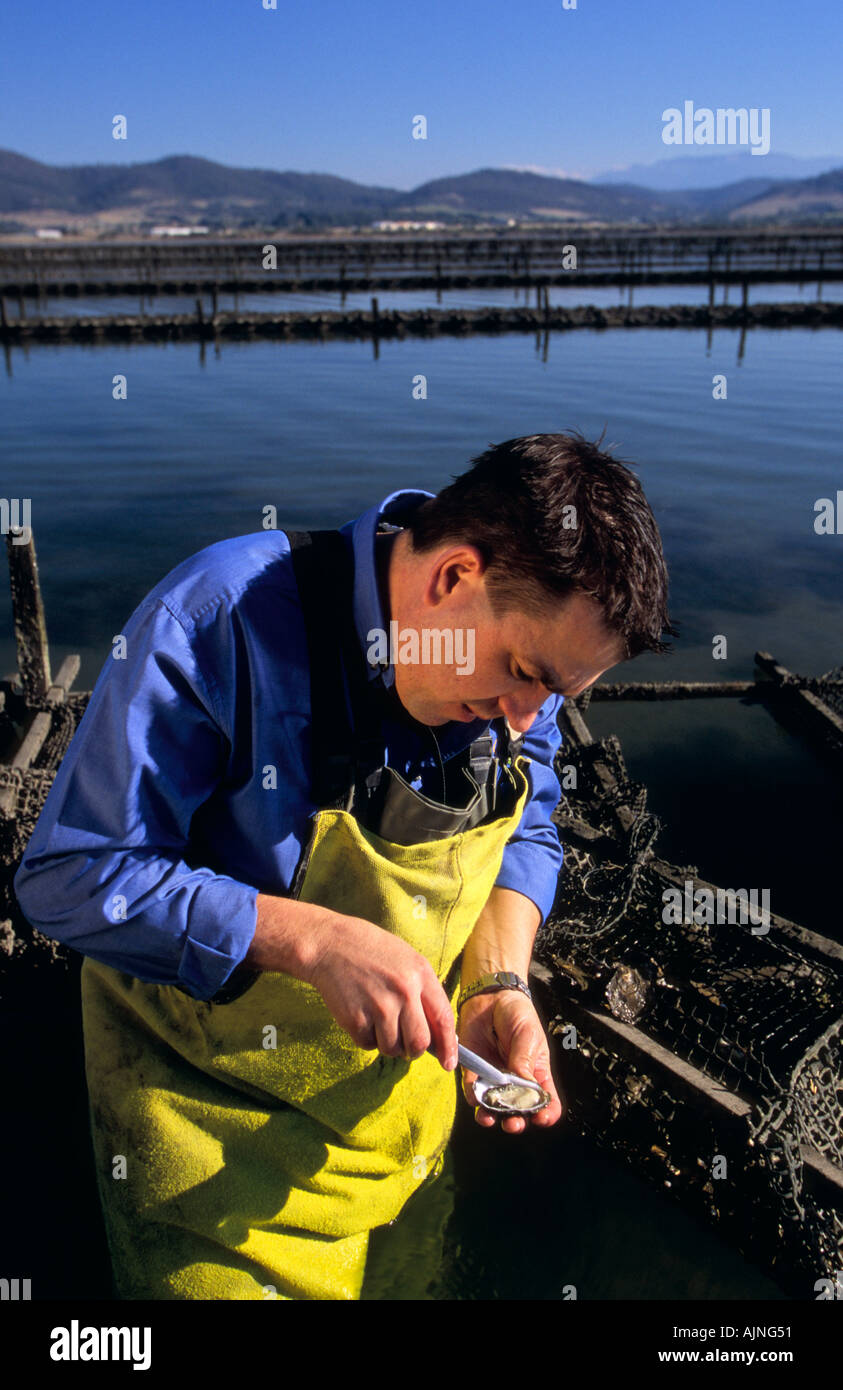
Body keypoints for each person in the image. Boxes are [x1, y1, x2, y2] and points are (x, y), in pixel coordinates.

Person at [14, 430, 674, 1300]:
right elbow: (68, 877)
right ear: (452, 578)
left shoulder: (522, 689)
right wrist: (309, 940)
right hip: (209, 1156)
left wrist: (499, 985)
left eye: (556, 696)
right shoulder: (217, 619)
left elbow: (526, 831)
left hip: (398, 1140)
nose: (526, 719)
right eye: (522, 673)